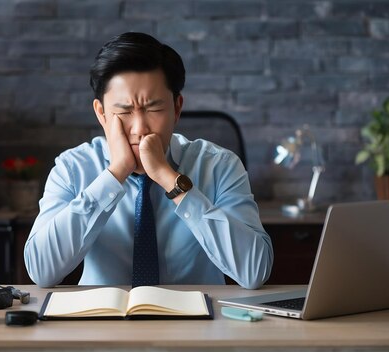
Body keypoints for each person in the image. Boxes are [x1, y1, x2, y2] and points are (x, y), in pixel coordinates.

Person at [24, 32, 273, 289]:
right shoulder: (73, 168)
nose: (140, 128)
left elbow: (254, 272)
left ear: (177, 108)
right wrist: (115, 174)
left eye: (153, 109)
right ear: (101, 113)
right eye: (124, 111)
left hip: (196, 323)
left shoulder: (219, 166)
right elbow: (41, 271)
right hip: (100, 323)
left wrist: (169, 178)